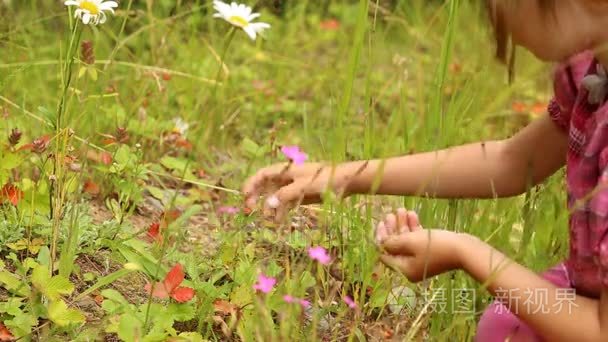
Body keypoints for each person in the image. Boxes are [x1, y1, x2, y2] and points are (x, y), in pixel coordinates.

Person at [242, 1, 608, 340]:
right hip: (585, 291)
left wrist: (465, 252)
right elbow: (513, 162)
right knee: (508, 320)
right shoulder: (592, 73)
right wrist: (342, 177)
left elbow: (598, 329)